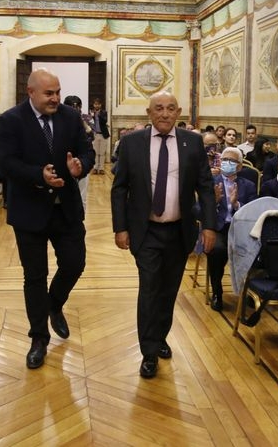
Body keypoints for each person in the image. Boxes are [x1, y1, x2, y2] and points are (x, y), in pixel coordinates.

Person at [111, 91, 216, 379]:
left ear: (178, 111)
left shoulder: (192, 142)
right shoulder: (132, 143)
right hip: (146, 232)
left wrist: (209, 225)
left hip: (179, 230)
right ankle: (148, 352)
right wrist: (120, 227)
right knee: (149, 289)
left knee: (169, 290)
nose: (165, 114)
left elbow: (205, 186)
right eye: (159, 108)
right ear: (149, 112)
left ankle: (159, 337)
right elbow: (119, 188)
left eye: (171, 108)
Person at [0, 68, 95, 370]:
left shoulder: (69, 116)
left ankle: (54, 304)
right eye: (49, 93)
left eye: (58, 92)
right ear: (31, 92)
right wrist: (38, 176)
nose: (56, 98)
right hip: (29, 210)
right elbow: (8, 164)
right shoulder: (11, 120)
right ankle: (38, 337)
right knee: (35, 276)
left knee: (75, 263)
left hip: (65, 207)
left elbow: (85, 150)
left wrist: (81, 165)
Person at [206, 147, 256, 311]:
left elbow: (253, 212)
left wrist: (236, 205)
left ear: (240, 167)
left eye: (232, 161)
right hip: (218, 228)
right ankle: (217, 293)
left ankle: (249, 291)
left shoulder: (248, 185)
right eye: (225, 160)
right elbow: (198, 211)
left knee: (255, 249)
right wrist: (213, 201)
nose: (227, 163)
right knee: (217, 250)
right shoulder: (210, 183)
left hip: (241, 228)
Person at [90, 97, 110, 174]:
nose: (96, 105)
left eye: (98, 104)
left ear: (100, 105)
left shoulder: (104, 112)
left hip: (103, 135)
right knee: (95, 152)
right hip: (95, 134)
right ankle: (95, 168)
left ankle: (101, 168)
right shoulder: (92, 112)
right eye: (95, 104)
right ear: (94, 105)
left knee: (102, 153)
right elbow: (91, 123)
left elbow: (104, 121)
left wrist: (98, 115)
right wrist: (91, 116)